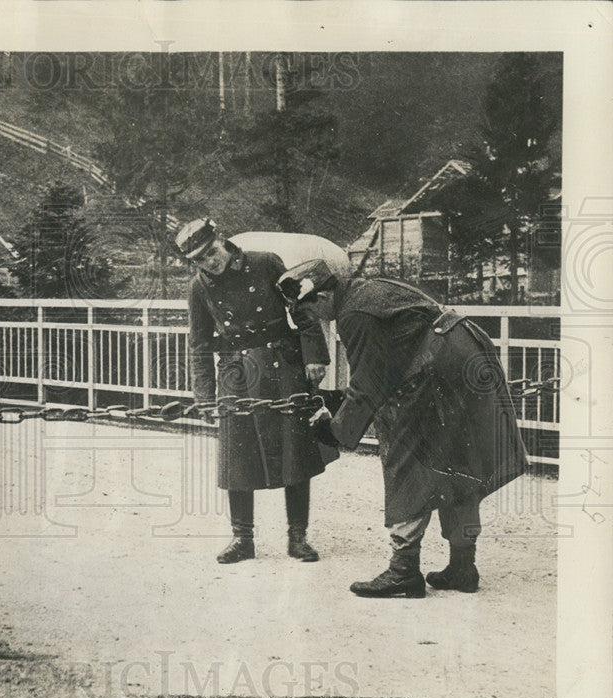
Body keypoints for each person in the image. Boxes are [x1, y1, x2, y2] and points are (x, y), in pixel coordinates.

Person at [277, 259, 529, 597]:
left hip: (440, 370)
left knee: (405, 460)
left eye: (310, 312)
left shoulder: (354, 313)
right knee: (458, 465)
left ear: (321, 297)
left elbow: (369, 383)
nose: (315, 320)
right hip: (464, 359)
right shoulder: (365, 289)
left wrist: (335, 432)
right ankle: (462, 567)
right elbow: (386, 364)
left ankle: (404, 571)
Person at [176, 218, 338, 564]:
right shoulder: (199, 287)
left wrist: (314, 355)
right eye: (200, 260)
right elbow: (200, 344)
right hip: (236, 374)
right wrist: (204, 396)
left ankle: (298, 537)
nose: (210, 262)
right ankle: (242, 539)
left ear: (221, 240)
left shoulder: (266, 263)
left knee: (295, 453)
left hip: (283, 364)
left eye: (211, 253)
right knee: (237, 458)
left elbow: (303, 306)